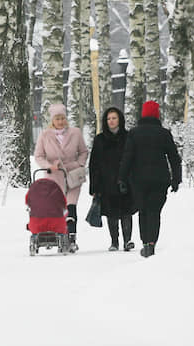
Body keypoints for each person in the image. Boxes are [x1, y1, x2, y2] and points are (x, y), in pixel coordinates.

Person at [118, 100, 181, 258]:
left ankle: (145, 242)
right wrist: (176, 179)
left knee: (143, 211)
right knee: (154, 211)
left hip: (138, 179)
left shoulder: (134, 133)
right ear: (157, 115)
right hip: (160, 180)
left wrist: (122, 178)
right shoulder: (164, 133)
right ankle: (152, 243)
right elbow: (174, 158)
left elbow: (127, 157)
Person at [34, 103, 89, 252]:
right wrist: (48, 166)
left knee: (71, 206)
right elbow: (38, 156)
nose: (60, 121)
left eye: (63, 118)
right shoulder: (44, 135)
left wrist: (79, 164)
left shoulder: (75, 133)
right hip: (54, 176)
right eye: (57, 119)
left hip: (72, 175)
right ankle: (59, 236)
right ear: (52, 120)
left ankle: (72, 238)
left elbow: (84, 151)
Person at [89, 107, 136, 251]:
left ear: (120, 119)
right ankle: (114, 241)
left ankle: (127, 240)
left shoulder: (129, 137)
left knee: (127, 212)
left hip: (125, 180)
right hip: (106, 181)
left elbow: (134, 159)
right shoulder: (100, 139)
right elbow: (93, 164)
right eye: (109, 119)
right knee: (111, 213)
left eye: (114, 118)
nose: (111, 121)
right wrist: (94, 187)